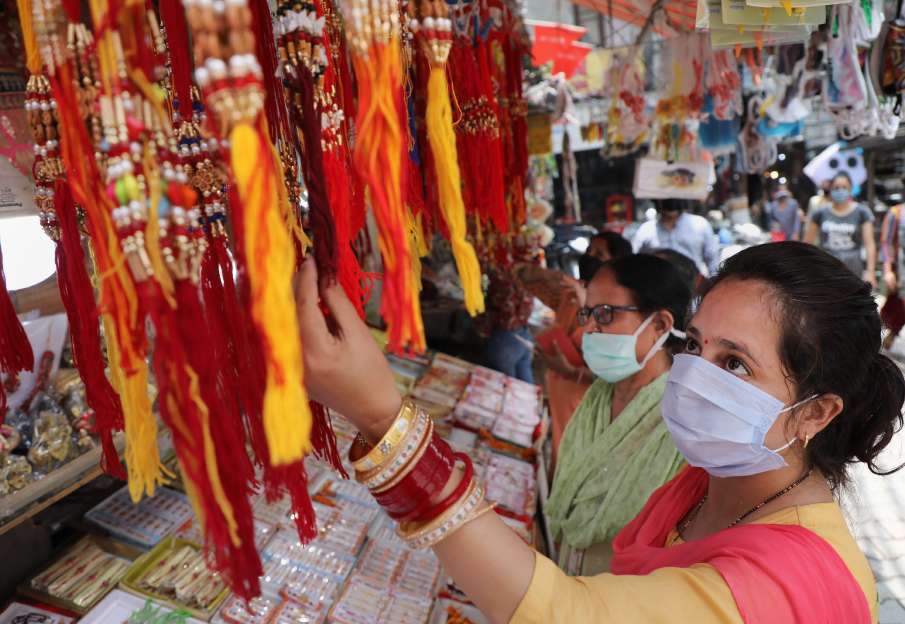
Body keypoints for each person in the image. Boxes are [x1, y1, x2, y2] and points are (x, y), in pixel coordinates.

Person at [297, 240, 903, 624]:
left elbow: (570, 614)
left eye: (735, 364)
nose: (691, 374)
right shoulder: (710, 479)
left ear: (816, 413)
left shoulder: (785, 585)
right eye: (694, 346)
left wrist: (383, 420)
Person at [546, 254, 690, 576]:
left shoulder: (681, 423)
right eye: (588, 314)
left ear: (659, 326)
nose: (589, 329)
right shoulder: (598, 398)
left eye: (606, 314)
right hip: (568, 579)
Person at [518, 232, 632, 465]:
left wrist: (570, 370)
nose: (589, 257)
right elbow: (522, 274)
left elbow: (619, 377)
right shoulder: (569, 294)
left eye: (598, 254)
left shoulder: (620, 311)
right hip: (559, 399)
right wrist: (560, 278)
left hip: (583, 407)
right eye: (589, 251)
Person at [805, 171, 877, 288]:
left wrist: (870, 272)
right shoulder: (820, 213)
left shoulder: (862, 212)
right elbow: (807, 244)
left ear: (850, 189)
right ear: (830, 189)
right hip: (826, 268)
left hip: (853, 269)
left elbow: (870, 244)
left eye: (844, 187)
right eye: (836, 187)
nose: (840, 191)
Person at [631, 199, 719, 277]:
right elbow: (634, 260)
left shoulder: (700, 225)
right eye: (666, 198)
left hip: (692, 288)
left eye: (674, 198)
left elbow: (712, 259)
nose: (670, 202)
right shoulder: (646, 230)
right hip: (656, 288)